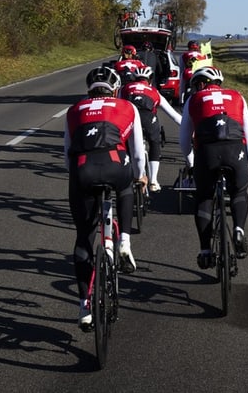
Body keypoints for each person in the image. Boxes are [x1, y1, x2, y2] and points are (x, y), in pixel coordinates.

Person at [65, 65, 148, 329]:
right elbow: (137, 152)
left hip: (83, 169)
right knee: (125, 188)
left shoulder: (74, 110)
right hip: (115, 164)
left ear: (88, 91)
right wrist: (141, 177)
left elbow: (67, 152)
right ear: (115, 89)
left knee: (84, 237)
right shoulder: (127, 107)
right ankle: (123, 242)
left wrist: (78, 182)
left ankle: (84, 307)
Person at [179, 66, 248, 270]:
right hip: (235, 150)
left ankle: (205, 251)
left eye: (196, 86)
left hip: (208, 153)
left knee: (204, 197)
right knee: (239, 190)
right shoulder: (237, 96)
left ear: (201, 84)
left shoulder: (193, 100)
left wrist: (191, 161)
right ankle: (238, 229)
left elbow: (184, 139)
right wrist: (245, 159)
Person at [120, 65, 182, 191]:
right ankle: (153, 181)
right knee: (155, 143)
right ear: (150, 79)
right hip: (148, 119)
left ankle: (128, 176)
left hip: (130, 118)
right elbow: (173, 115)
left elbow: (118, 106)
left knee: (126, 146)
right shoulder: (154, 91)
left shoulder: (125, 88)